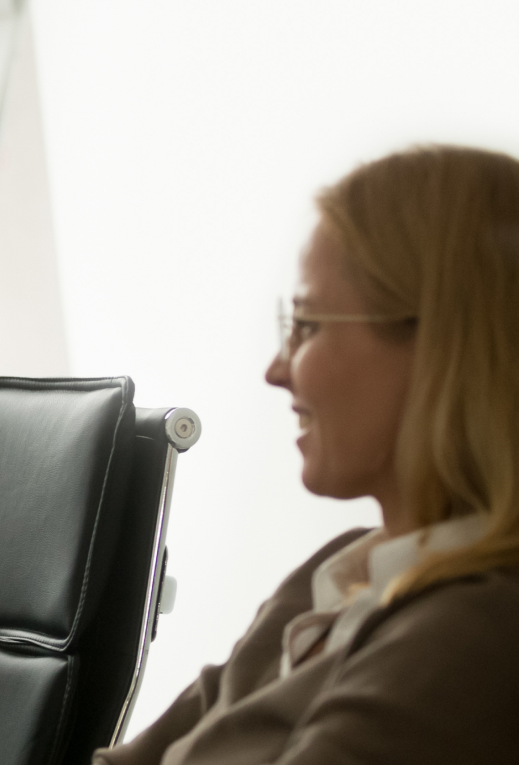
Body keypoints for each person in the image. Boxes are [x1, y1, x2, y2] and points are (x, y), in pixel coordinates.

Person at [95, 145, 519, 764]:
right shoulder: (335, 574)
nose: (276, 370)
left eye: (308, 325)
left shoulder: (473, 635)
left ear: (443, 352)